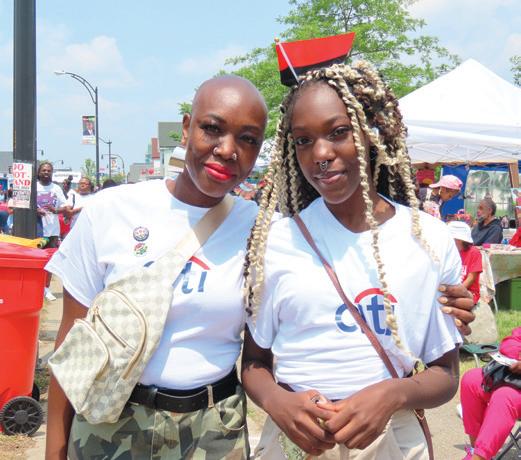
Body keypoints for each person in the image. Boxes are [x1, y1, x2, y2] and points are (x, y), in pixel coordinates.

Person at [242, 61, 471, 459]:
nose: (321, 153)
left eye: (338, 132)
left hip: (392, 436)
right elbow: (254, 363)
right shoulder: (277, 241)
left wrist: (394, 394)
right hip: (299, 439)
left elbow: (446, 374)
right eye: (303, 140)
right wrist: (279, 403)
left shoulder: (428, 239)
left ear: (370, 133)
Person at [45, 75, 268, 460]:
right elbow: (70, 346)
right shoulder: (109, 211)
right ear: (186, 128)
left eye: (247, 139)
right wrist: (56, 450)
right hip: (110, 423)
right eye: (212, 129)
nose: (228, 149)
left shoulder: (262, 230)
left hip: (213, 431)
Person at [460, 327, 521, 460]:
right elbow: (509, 343)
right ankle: (476, 450)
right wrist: (518, 354)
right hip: (515, 379)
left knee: (504, 396)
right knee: (471, 380)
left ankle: (480, 456)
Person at [37, 161, 69, 301]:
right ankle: (36, 287)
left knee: (49, 260)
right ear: (39, 172)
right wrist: (35, 210)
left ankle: (46, 288)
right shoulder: (34, 187)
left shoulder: (56, 188)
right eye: (44, 170)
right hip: (37, 229)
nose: (46, 172)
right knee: (36, 260)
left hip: (52, 230)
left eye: (49, 170)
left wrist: (56, 210)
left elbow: (66, 206)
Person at [448, 221, 482, 305]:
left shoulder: (474, 252)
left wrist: (458, 291)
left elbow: (471, 278)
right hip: (450, 289)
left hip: (468, 291)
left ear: (459, 240)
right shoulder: (450, 252)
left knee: (460, 302)